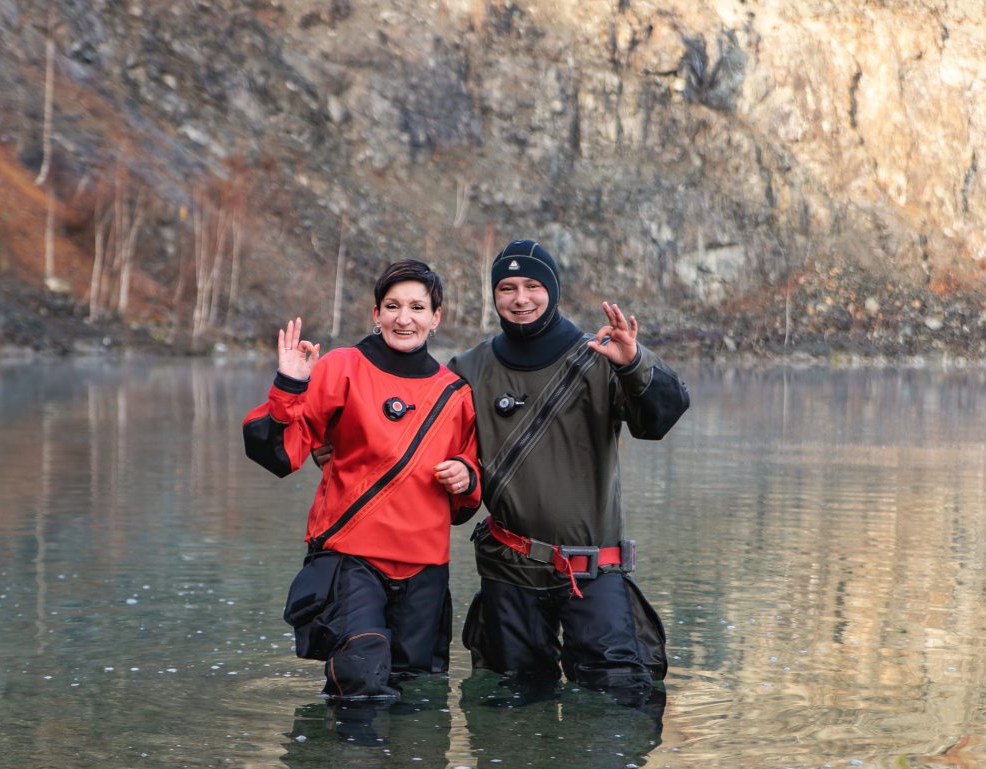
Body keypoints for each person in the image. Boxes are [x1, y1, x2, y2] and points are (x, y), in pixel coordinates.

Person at [447, 239, 689, 699]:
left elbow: (661, 418)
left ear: (553, 291)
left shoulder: (601, 356)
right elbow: (429, 444)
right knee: (511, 710)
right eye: (507, 288)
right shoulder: (469, 368)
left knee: (617, 704)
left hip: (593, 570)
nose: (521, 299)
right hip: (509, 570)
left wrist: (635, 364)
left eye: (533, 286)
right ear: (494, 295)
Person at [242, 259, 481, 701]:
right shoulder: (343, 367)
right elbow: (279, 452)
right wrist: (288, 386)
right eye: (392, 306)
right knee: (359, 680)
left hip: (425, 570)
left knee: (417, 698)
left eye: (416, 307)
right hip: (352, 560)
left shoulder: (455, 392)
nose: (403, 318)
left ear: (436, 318)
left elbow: (467, 494)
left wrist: (467, 476)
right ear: (376, 314)